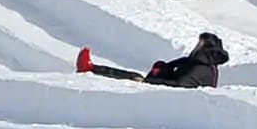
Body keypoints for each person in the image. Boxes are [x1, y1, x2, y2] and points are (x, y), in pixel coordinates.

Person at [76, 33, 228, 88]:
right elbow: (172, 66)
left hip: (169, 94)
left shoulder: (200, 68)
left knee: (132, 78)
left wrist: (149, 82)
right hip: (164, 83)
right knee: (134, 75)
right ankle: (92, 68)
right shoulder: (193, 62)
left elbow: (181, 85)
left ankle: (91, 68)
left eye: (199, 44)